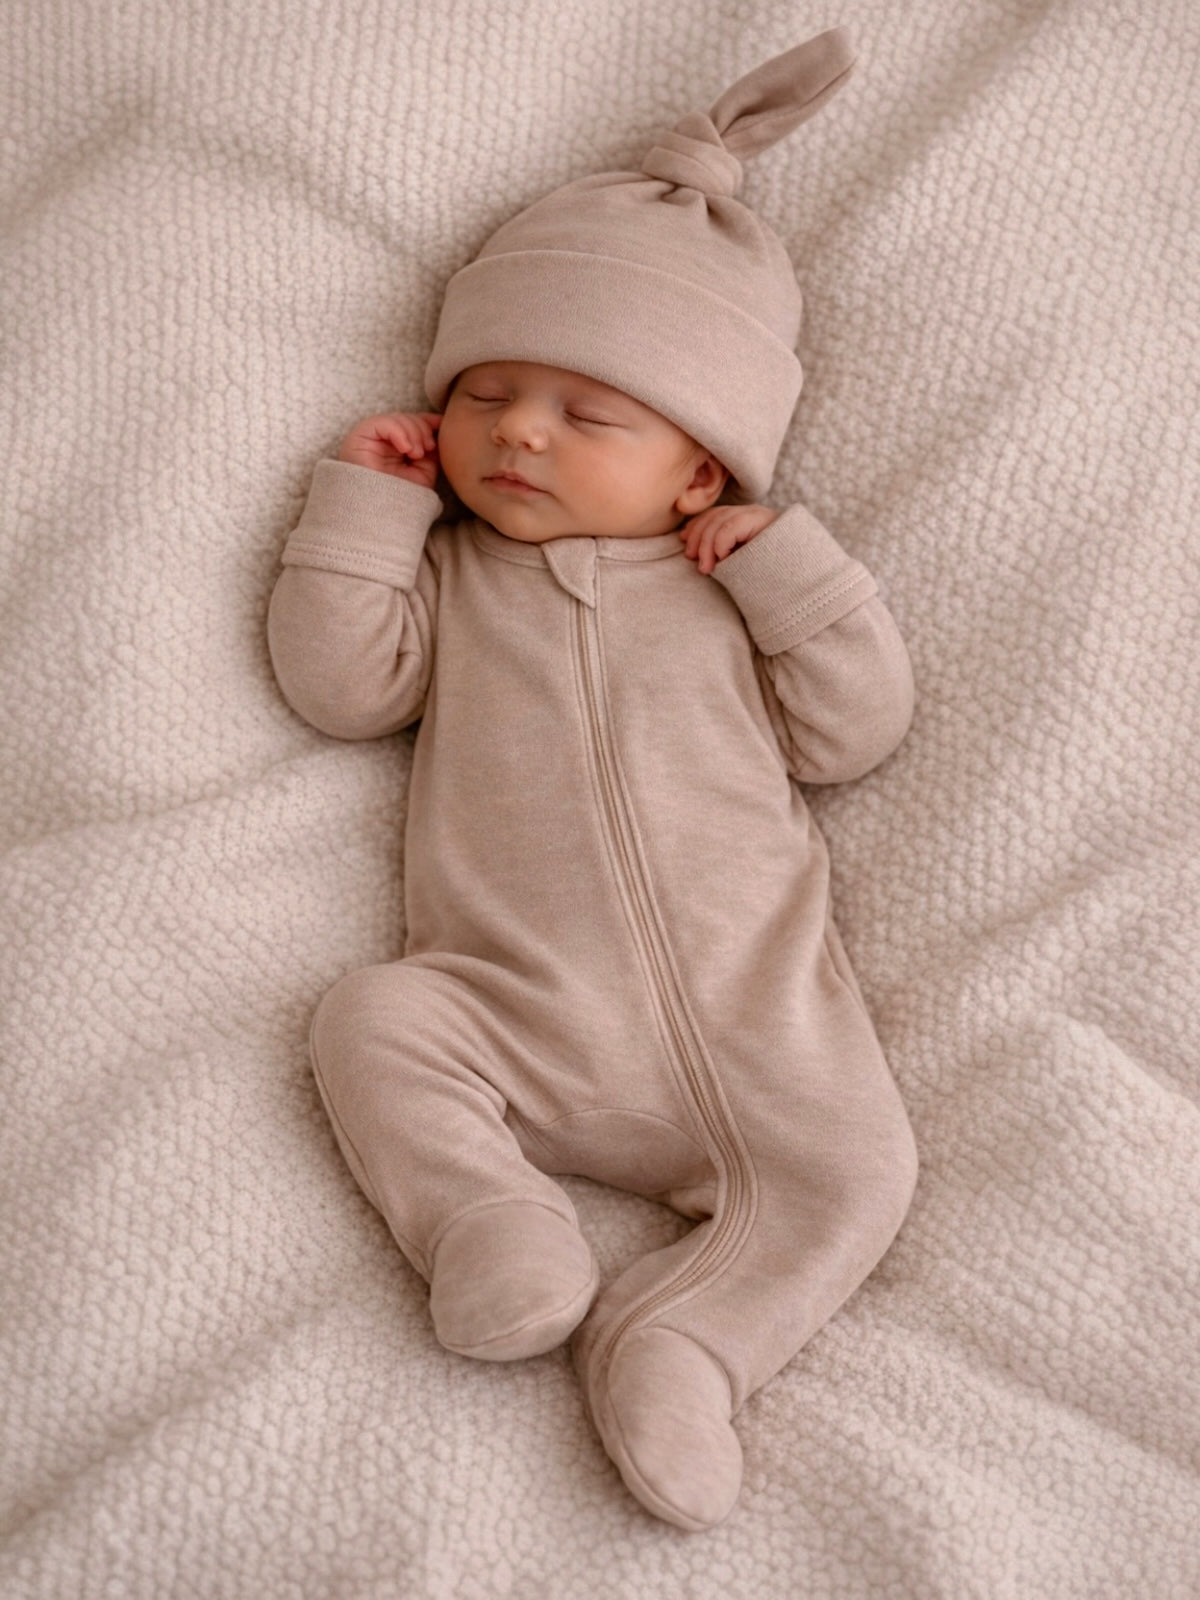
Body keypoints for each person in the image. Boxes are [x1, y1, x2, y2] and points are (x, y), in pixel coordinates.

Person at [267, 28, 919, 1533]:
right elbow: (340, 685)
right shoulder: (455, 577)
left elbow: (852, 732)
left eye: (590, 413)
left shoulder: (726, 585)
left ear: (702, 471)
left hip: (763, 1031)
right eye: (486, 395)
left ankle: (690, 1338)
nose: (520, 434)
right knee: (370, 1019)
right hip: (511, 1009)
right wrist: (365, 506)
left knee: (856, 1169)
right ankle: (493, 1222)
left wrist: (795, 576)